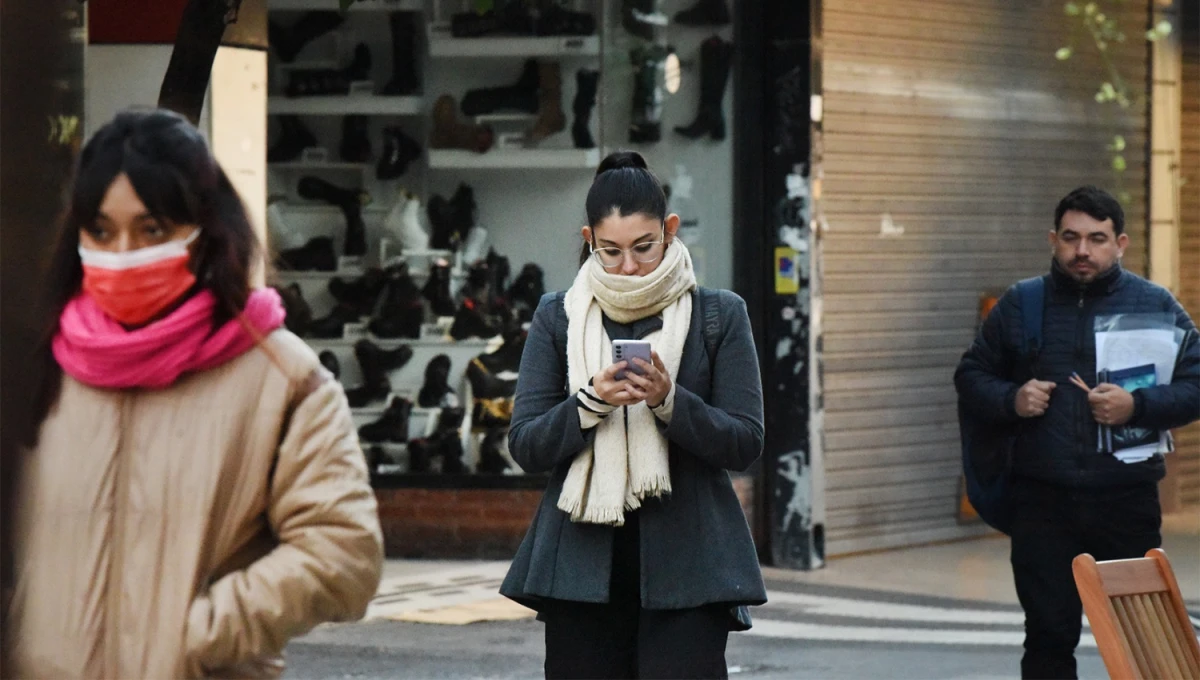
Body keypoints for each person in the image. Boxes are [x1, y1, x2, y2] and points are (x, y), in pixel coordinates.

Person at [6, 109, 384, 679]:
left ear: (205, 229)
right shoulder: (34, 369)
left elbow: (343, 553)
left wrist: (194, 638)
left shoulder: (280, 377)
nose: (124, 251)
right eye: (102, 230)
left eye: (152, 229)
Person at [499, 151, 766, 679]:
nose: (628, 266)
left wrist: (671, 401)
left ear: (670, 230)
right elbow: (526, 444)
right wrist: (589, 403)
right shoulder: (560, 316)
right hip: (580, 569)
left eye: (644, 247)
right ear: (588, 239)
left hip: (690, 569)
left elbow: (745, 441)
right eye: (610, 250)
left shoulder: (718, 314)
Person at [955, 185, 1199, 680]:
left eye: (1097, 239)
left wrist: (1138, 405)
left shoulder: (1155, 305)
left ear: (1121, 243)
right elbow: (970, 376)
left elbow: (1197, 383)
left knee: (1143, 639)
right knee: (1047, 636)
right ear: (1053, 240)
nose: (1082, 251)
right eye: (1070, 238)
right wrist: (1013, 399)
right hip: (1043, 502)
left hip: (1126, 500)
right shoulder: (1022, 304)